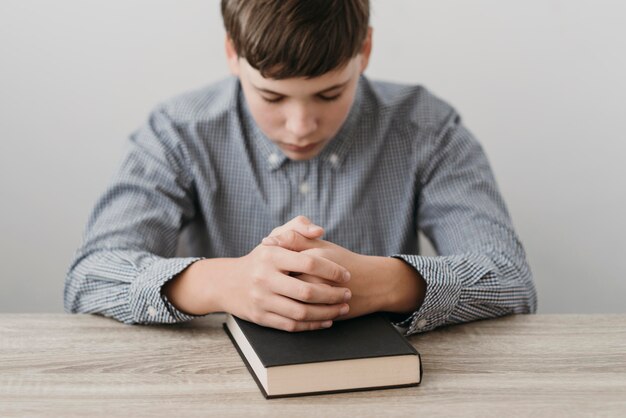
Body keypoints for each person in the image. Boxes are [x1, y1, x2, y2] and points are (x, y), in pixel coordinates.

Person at [64, 0, 537, 335]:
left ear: (365, 51)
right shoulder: (179, 130)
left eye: (330, 94)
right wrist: (224, 283)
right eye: (271, 96)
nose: (301, 125)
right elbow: (90, 277)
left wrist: (382, 282)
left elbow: (511, 279)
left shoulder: (426, 126)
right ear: (233, 53)